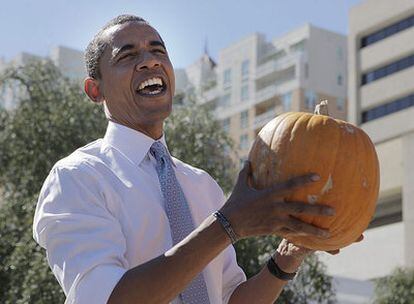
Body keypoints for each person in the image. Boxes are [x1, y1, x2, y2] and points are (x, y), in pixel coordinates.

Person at [33, 14, 341, 304]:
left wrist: (288, 257)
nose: (150, 61)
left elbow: (231, 297)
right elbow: (108, 298)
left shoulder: (201, 184)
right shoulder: (77, 178)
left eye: (158, 51)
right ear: (94, 89)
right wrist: (228, 224)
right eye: (127, 56)